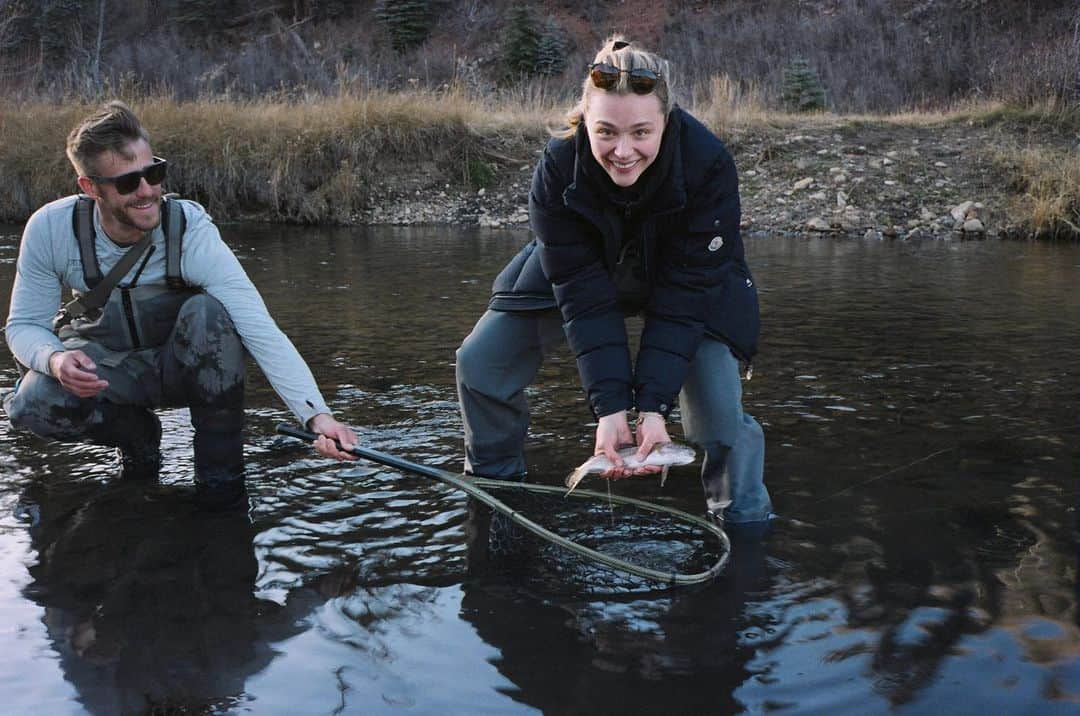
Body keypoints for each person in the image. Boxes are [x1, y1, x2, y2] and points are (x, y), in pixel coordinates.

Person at [456, 37, 772, 524]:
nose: (623, 152)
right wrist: (609, 409)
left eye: (641, 132)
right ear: (584, 119)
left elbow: (685, 296)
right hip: (586, 266)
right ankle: (497, 488)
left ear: (667, 121)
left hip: (684, 274)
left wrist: (651, 407)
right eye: (606, 132)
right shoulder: (558, 167)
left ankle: (743, 519)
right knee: (480, 361)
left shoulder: (707, 164)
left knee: (719, 417)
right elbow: (583, 297)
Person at [3, 100, 356, 509]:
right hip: (106, 372)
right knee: (33, 402)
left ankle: (220, 487)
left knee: (210, 314)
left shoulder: (190, 229)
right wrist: (55, 360)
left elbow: (258, 327)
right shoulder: (50, 229)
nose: (148, 191)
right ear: (90, 188)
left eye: (154, 173)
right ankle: (137, 436)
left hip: (179, 367)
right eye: (128, 183)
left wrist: (316, 417)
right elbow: (24, 325)